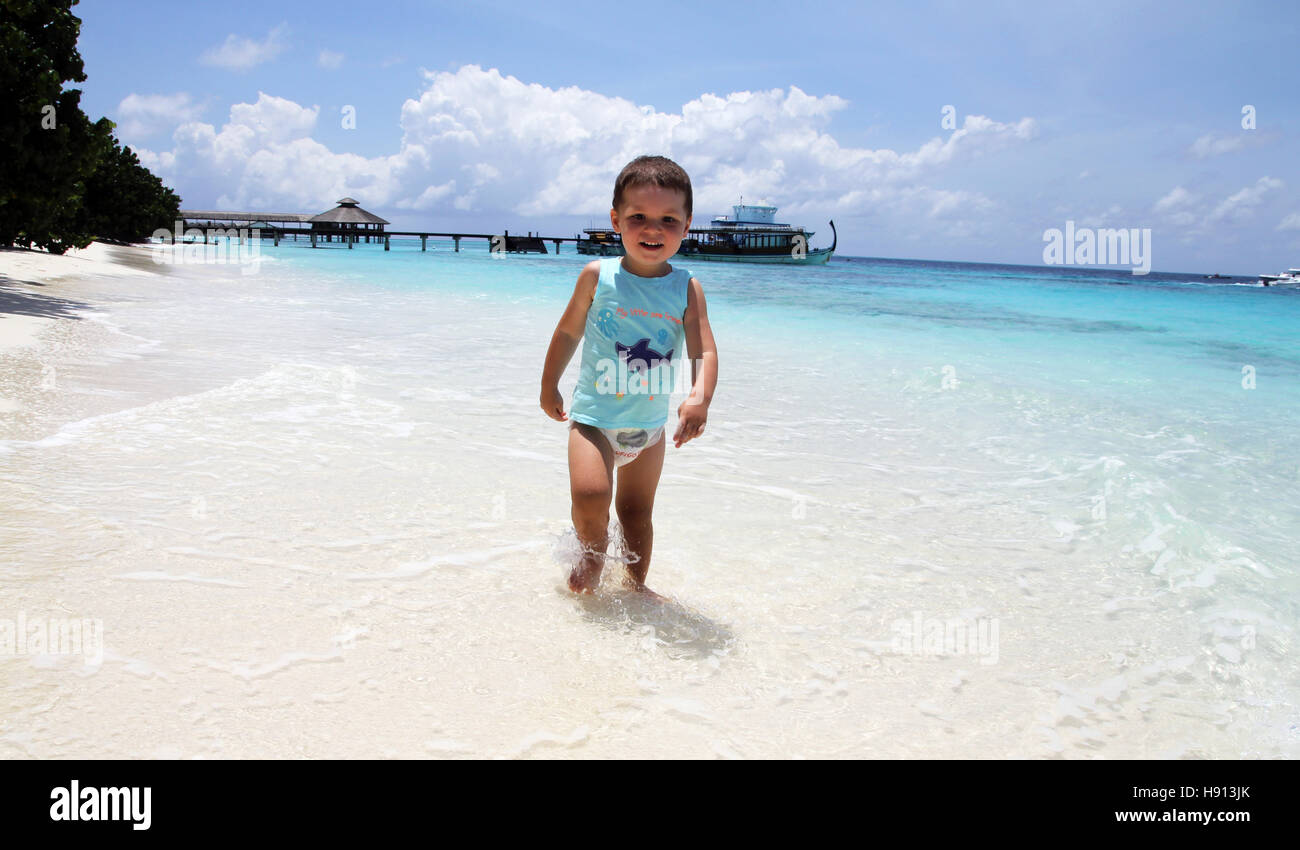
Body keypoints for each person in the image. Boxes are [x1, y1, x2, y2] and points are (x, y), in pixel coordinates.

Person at [540, 155, 718, 596]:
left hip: (649, 429)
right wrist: (549, 384)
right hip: (594, 420)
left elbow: (704, 350)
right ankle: (591, 556)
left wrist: (699, 397)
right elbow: (567, 332)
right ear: (616, 219)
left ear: (687, 224)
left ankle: (636, 587)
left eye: (668, 219)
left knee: (638, 512)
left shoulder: (686, 287)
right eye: (638, 217)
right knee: (591, 496)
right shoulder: (597, 276)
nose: (652, 229)